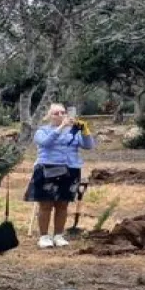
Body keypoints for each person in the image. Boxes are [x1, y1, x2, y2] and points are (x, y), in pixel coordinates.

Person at [26, 103, 96, 248]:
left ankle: (58, 235)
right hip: (47, 169)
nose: (60, 115)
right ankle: (44, 236)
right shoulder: (42, 130)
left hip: (70, 169)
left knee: (63, 204)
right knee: (45, 204)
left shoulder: (74, 131)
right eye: (56, 113)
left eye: (62, 112)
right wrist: (60, 128)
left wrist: (85, 130)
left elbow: (88, 146)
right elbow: (45, 143)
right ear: (49, 116)